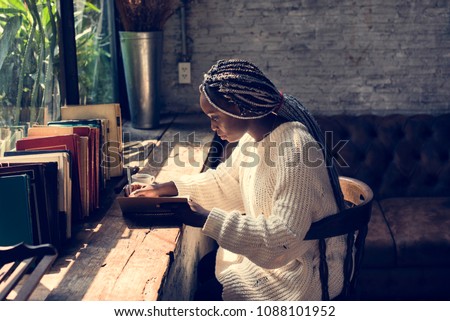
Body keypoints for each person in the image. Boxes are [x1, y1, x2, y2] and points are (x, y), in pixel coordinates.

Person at [129, 59, 347, 301]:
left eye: (215, 117)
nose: (212, 127)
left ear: (239, 107)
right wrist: (167, 188)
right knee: (206, 268)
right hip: (282, 261)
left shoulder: (295, 147)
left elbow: (283, 238)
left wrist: (205, 218)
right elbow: (227, 184)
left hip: (307, 272)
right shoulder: (254, 139)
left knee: (204, 296)